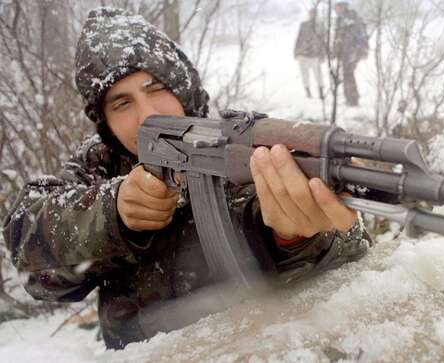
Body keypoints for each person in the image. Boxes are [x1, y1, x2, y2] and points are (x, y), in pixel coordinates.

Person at [2, 7, 369, 350]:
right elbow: (27, 242)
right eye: (122, 103)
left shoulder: (232, 146)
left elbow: (350, 248)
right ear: (105, 121)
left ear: (182, 88)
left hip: (247, 348)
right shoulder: (100, 162)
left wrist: (295, 237)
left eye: (155, 89)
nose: (147, 114)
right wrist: (112, 213)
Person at [333, 2, 368, 107]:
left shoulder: (351, 18)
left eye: (338, 7)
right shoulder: (340, 19)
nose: (336, 9)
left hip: (351, 51)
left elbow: (358, 35)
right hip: (344, 51)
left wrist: (358, 49)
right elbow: (337, 37)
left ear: (343, 6)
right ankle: (349, 98)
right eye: (336, 8)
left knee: (348, 74)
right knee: (346, 74)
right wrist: (335, 51)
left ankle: (353, 99)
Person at [294, 8, 326, 99]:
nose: (313, 15)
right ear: (309, 14)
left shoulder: (320, 26)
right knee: (304, 75)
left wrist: (322, 54)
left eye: (314, 13)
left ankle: (321, 92)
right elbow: (299, 38)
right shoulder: (303, 25)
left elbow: (323, 41)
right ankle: (308, 92)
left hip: (315, 55)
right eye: (311, 13)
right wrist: (296, 51)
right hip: (303, 54)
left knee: (318, 75)